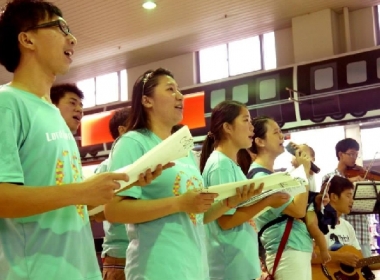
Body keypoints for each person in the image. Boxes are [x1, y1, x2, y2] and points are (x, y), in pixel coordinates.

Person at [0, 1, 131, 279]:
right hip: (36, 271)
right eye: (60, 27)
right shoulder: (6, 103)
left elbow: (60, 196)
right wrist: (82, 191)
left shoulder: (51, 112)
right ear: (27, 39)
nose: (72, 38)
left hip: (79, 268)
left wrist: (127, 182)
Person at [104, 68, 244, 279]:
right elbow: (114, 210)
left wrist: (229, 202)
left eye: (179, 90)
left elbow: (196, 215)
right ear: (147, 101)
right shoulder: (132, 142)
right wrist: (178, 203)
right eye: (170, 89)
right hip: (157, 269)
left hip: (194, 267)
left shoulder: (183, 149)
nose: (180, 95)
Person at [199, 101, 289, 280]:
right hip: (229, 264)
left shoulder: (230, 163)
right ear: (227, 127)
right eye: (246, 120)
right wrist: (267, 201)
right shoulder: (220, 165)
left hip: (238, 260)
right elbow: (225, 221)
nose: (251, 128)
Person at [249, 116, 313, 280]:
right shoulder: (260, 177)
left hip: (294, 247)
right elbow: (298, 210)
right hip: (286, 249)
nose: (281, 137)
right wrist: (303, 171)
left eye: (281, 132)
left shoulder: (272, 175)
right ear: (260, 142)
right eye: (276, 132)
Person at [322, 138, 371, 258]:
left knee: (365, 269)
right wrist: (347, 182)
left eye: (356, 154)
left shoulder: (361, 176)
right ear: (340, 154)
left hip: (361, 230)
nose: (354, 157)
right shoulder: (329, 177)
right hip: (338, 233)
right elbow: (324, 199)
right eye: (351, 154)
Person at [97, 108, 130, 280]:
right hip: (119, 256)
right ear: (122, 131)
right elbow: (95, 212)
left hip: (143, 253)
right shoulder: (105, 168)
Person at [312, 176, 362, 269]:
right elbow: (308, 255)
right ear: (334, 197)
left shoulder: (347, 226)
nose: (352, 201)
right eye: (348, 196)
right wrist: (340, 257)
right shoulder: (315, 222)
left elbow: (358, 259)